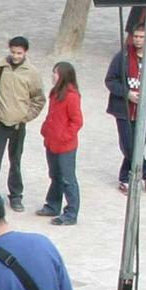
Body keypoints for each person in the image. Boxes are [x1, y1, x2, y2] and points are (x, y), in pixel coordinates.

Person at [0, 35, 45, 212]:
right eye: (13, 52)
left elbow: (38, 98)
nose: (15, 56)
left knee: (15, 161)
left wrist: (26, 117)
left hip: (18, 125)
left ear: (25, 52)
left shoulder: (32, 73)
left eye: (19, 53)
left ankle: (16, 195)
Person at [105, 23, 146, 192]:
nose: (138, 40)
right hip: (124, 109)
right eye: (136, 36)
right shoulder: (121, 57)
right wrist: (127, 93)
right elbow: (110, 80)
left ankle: (124, 177)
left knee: (138, 145)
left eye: (141, 37)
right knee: (127, 145)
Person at [37, 62, 84, 226]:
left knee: (68, 179)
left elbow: (77, 121)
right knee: (55, 176)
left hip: (65, 145)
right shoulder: (55, 93)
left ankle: (71, 214)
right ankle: (53, 205)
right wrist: (46, 129)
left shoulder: (71, 96)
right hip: (52, 142)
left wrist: (64, 136)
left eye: (55, 73)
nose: (53, 75)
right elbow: (52, 115)